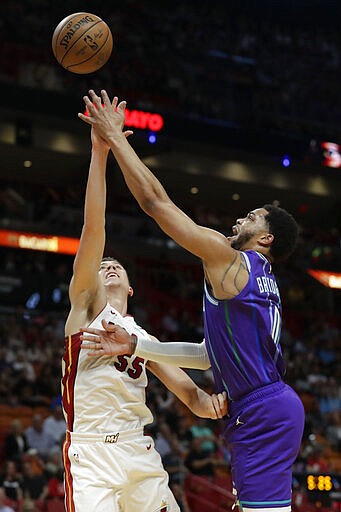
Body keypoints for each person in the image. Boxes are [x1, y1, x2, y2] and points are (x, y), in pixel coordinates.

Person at [78, 90, 305, 512]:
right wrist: (137, 347)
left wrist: (116, 137)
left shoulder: (232, 259)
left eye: (252, 218)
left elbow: (155, 203)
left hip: (263, 412)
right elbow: (208, 355)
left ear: (266, 238)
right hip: (265, 406)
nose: (240, 219)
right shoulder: (259, 280)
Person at [63, 123, 227, 512]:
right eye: (102, 266)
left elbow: (190, 395)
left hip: (139, 450)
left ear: (132, 288)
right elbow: (94, 227)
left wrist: (213, 405)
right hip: (91, 453)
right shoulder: (86, 306)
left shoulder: (142, 338)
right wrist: (100, 153)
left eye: (117, 266)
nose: (109, 268)